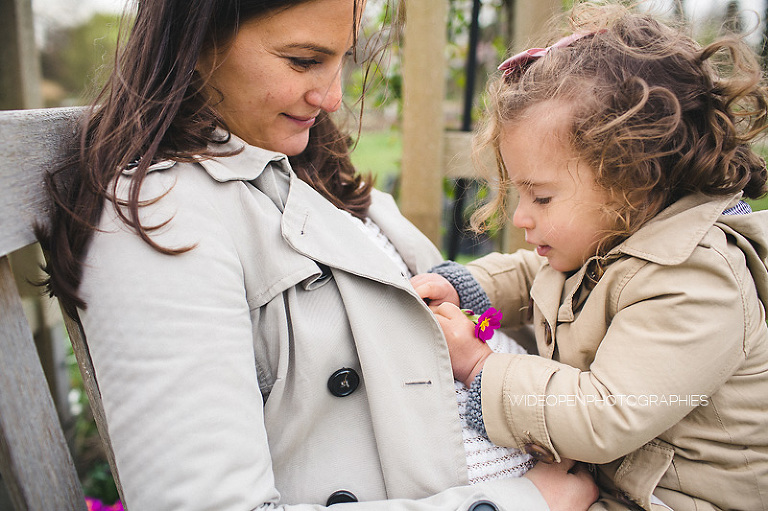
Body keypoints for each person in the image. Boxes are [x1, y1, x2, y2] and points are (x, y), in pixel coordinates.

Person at [37, 0, 599, 509]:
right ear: (198, 36)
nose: (332, 98)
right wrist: (521, 503)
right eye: (303, 61)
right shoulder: (163, 219)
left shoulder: (301, 168)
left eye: (341, 60)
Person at [414, 2, 768, 509]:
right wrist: (467, 290)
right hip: (617, 481)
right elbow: (533, 276)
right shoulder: (609, 239)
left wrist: (478, 367)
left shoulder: (699, 279)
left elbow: (605, 416)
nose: (521, 217)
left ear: (634, 180)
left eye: (541, 197)